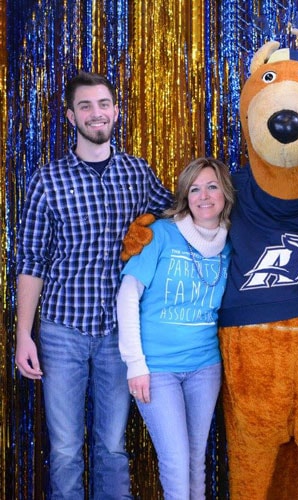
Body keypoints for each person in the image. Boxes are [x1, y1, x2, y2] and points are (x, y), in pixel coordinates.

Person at [15, 71, 173, 499]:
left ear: (116, 111)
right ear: (70, 116)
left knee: (112, 447)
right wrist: (23, 335)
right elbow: (30, 261)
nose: (96, 113)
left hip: (118, 336)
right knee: (65, 449)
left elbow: (180, 218)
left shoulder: (137, 173)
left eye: (103, 104)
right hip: (61, 330)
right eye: (85, 106)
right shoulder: (47, 181)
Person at [116, 157, 234, 499]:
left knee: (196, 462)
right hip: (158, 369)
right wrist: (135, 364)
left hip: (205, 367)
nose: (204, 196)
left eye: (212, 186)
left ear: (224, 193)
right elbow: (127, 297)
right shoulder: (161, 235)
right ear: (185, 196)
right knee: (176, 461)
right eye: (194, 189)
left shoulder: (229, 244)